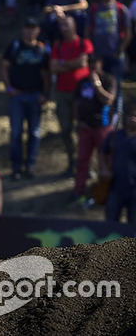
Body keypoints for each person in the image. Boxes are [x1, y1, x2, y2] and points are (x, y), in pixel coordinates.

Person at [2, 17, 50, 180]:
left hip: (36, 95)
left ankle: (30, 166)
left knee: (34, 133)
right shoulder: (15, 47)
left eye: (33, 28)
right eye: (27, 27)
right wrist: (8, 87)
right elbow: (4, 67)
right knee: (16, 133)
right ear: (23, 29)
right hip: (17, 96)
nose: (30, 31)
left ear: (38, 31)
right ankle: (16, 168)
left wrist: (45, 93)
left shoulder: (42, 50)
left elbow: (46, 74)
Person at [50, 16, 94, 177]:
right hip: (62, 93)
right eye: (61, 26)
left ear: (75, 26)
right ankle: (72, 163)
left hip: (82, 93)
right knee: (66, 129)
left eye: (67, 24)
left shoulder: (84, 43)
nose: (64, 28)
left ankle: (87, 166)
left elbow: (83, 63)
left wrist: (64, 64)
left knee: (83, 129)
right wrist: (70, 64)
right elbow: (53, 67)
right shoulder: (58, 46)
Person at [72, 55, 116, 203]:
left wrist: (97, 85)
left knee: (105, 161)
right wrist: (79, 121)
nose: (92, 66)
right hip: (85, 128)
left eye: (95, 63)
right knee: (82, 160)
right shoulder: (82, 82)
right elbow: (76, 104)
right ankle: (79, 191)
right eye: (90, 63)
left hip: (102, 128)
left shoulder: (109, 80)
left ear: (101, 63)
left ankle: (105, 193)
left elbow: (108, 99)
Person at [86, 0, 131, 119]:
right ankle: (100, 118)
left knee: (116, 87)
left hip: (114, 55)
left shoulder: (121, 9)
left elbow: (128, 33)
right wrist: (91, 52)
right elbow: (87, 31)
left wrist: (121, 50)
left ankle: (116, 118)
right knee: (97, 86)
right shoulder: (94, 8)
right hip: (98, 56)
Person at [102, 102, 136, 225]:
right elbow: (103, 152)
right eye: (131, 115)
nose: (133, 119)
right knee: (110, 224)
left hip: (134, 189)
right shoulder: (115, 135)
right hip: (115, 187)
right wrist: (105, 169)